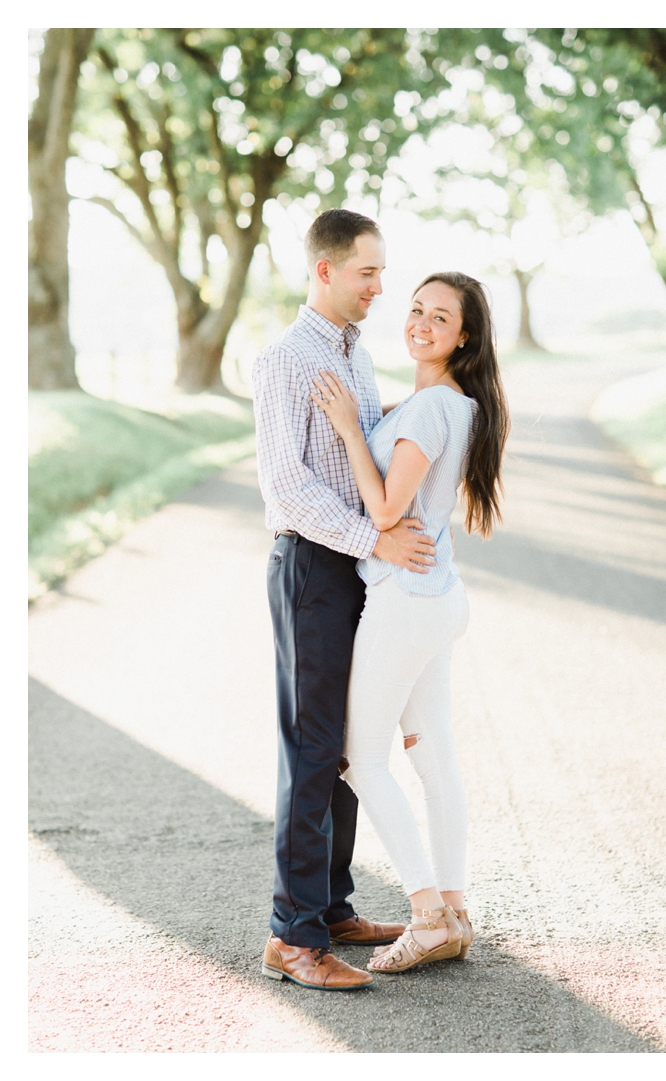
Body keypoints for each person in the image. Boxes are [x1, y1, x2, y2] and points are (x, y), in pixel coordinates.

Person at [255, 209, 437, 992]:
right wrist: (378, 541)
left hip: (356, 573)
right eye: (368, 272)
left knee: (346, 743)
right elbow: (288, 489)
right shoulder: (283, 360)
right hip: (310, 570)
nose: (379, 287)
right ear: (324, 270)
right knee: (311, 744)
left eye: (382, 272)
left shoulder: (357, 358)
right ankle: (291, 937)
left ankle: (331, 909)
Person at [308, 271, 509, 973]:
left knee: (362, 758)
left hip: (405, 599)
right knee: (431, 752)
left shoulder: (431, 409)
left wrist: (345, 429)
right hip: (435, 598)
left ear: (465, 336)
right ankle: (453, 907)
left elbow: (387, 511)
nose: (421, 321)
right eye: (416, 308)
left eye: (440, 316)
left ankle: (426, 914)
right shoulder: (452, 403)